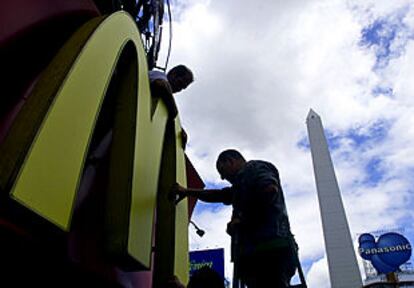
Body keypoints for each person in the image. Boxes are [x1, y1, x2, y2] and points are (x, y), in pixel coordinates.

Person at [173, 149, 297, 288]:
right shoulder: (241, 185)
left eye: (222, 170)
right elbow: (219, 195)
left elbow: (269, 190)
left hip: (268, 251)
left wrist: (243, 220)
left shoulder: (253, 169)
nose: (222, 177)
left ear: (230, 161)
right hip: (264, 251)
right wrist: (187, 191)